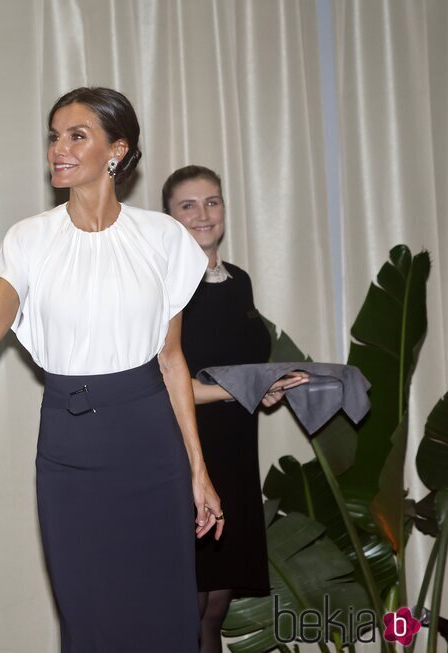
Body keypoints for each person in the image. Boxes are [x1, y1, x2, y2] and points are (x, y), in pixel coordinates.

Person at [0, 87, 223, 652]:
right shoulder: (30, 239)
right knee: (89, 620)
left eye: (76, 136)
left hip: (150, 439)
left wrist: (198, 468)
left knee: (167, 615)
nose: (58, 149)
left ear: (116, 150)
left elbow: (170, 360)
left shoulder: (163, 237)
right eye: (53, 137)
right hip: (70, 445)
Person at [161, 165, 307, 653]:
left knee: (217, 605)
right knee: (191, 604)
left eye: (212, 202)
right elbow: (165, 382)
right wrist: (241, 389)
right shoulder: (165, 287)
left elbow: (239, 365)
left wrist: (264, 389)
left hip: (238, 450)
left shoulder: (238, 281)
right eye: (188, 205)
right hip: (188, 453)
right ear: (170, 217)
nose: (203, 214)